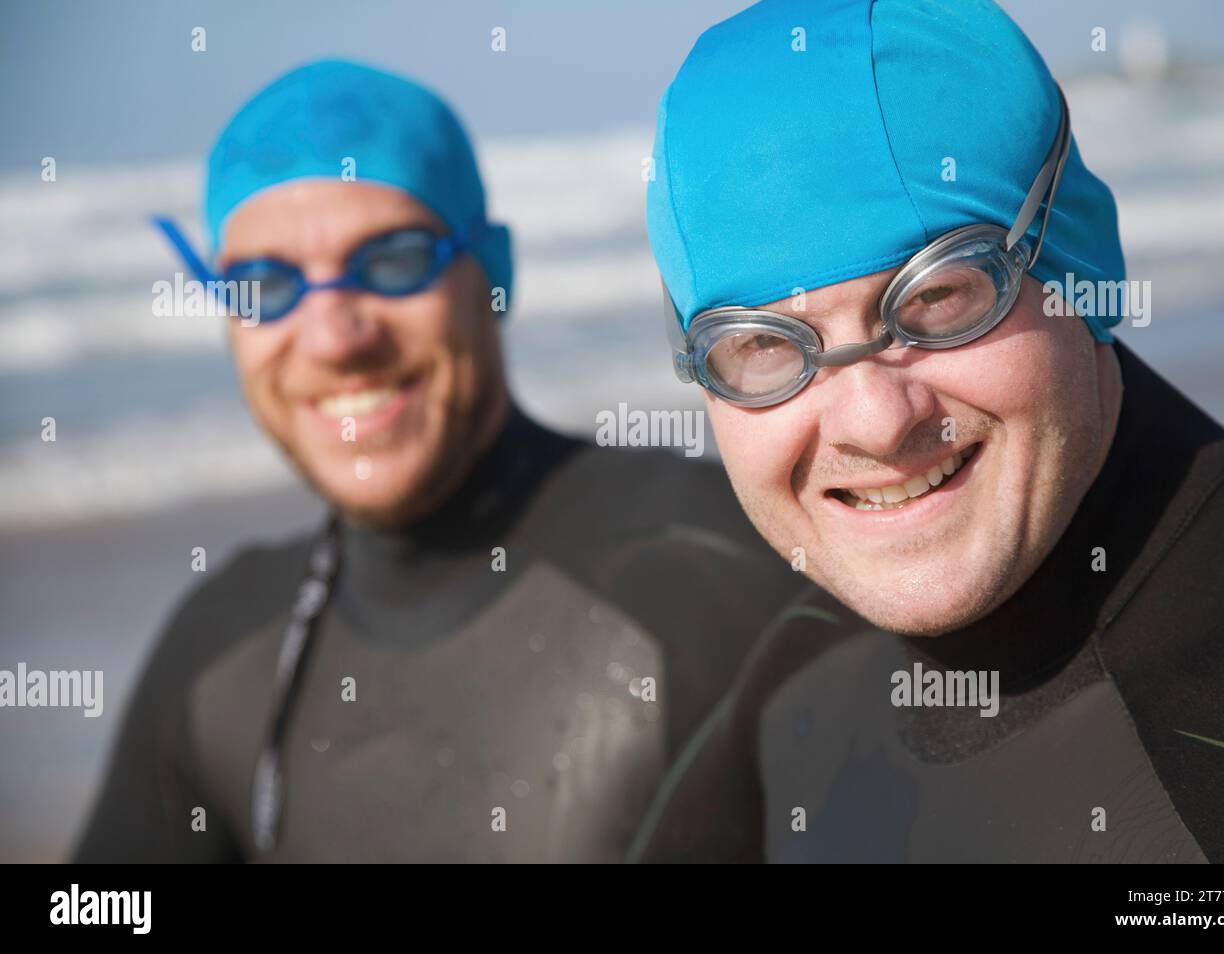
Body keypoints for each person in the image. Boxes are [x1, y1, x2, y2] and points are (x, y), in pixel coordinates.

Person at [73, 59, 800, 863]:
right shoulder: (217, 646)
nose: (335, 337)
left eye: (393, 260)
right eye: (264, 285)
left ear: (495, 273)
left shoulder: (733, 570)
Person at [632, 0, 1224, 863]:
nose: (875, 423)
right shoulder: (797, 677)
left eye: (938, 297)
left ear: (1077, 259)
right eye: (762, 346)